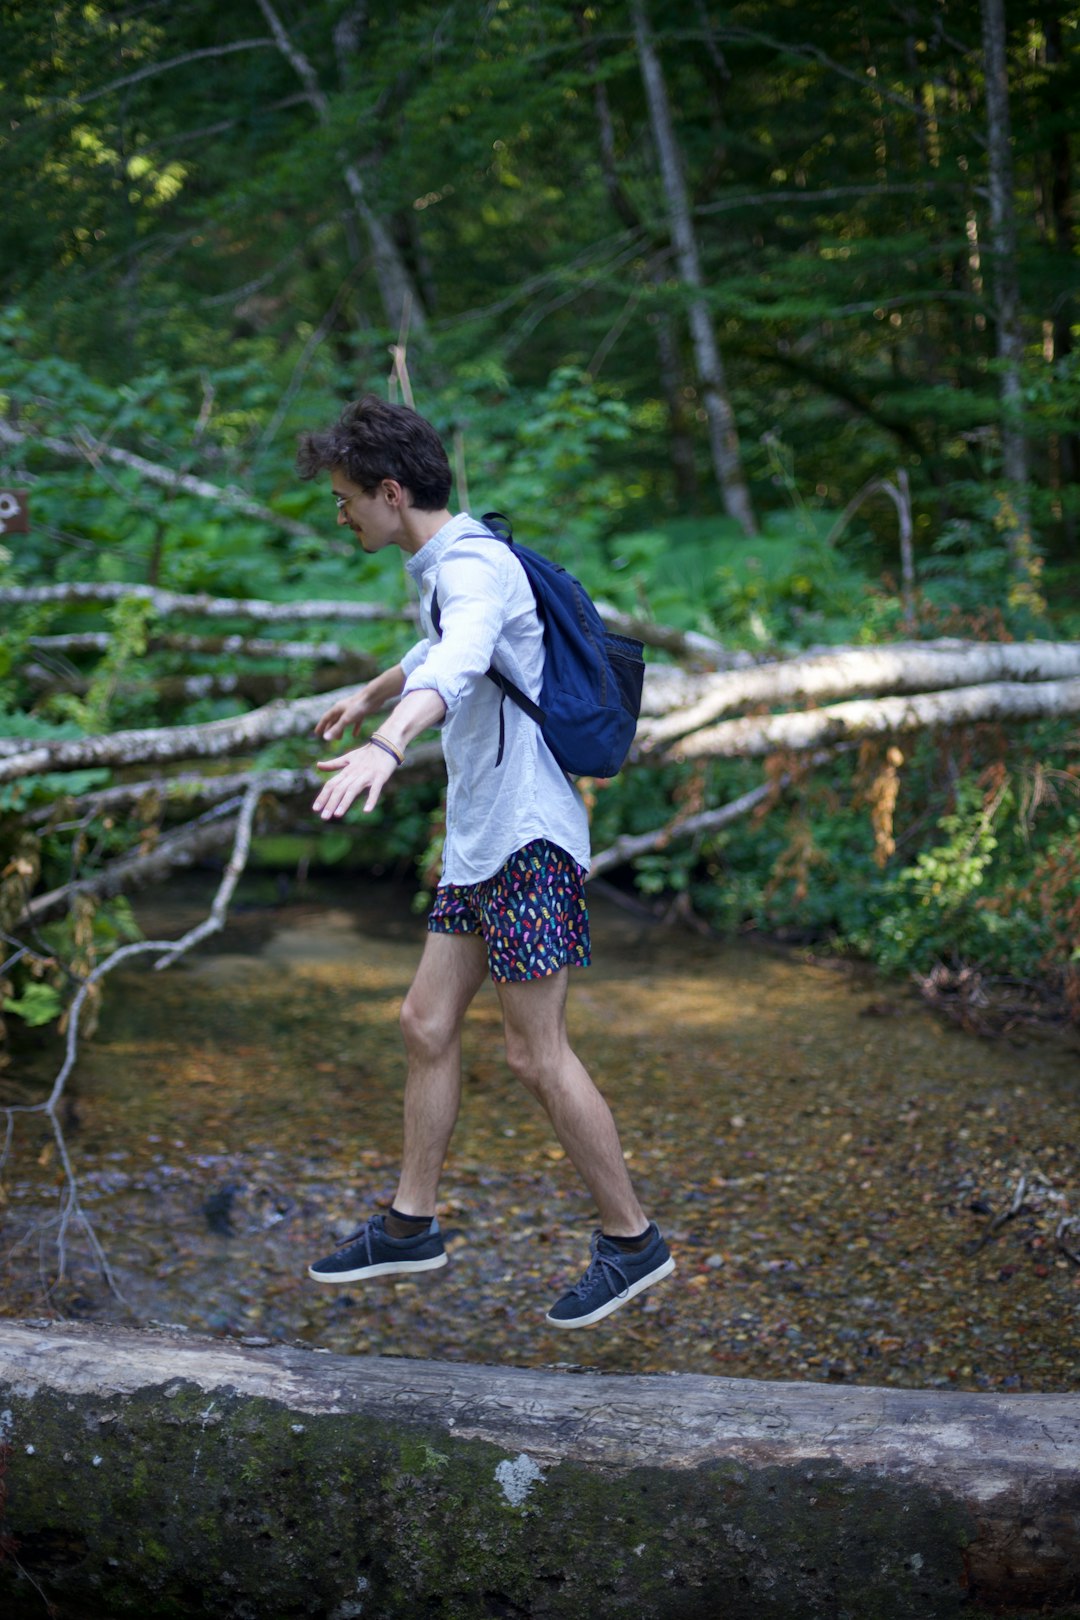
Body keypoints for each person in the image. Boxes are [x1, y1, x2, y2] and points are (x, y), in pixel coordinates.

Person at [295, 396, 674, 1329]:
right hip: (481, 844)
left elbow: (463, 655)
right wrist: (372, 689)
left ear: (390, 493)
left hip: (528, 841)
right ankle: (411, 1224)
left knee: (534, 1054)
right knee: (425, 1022)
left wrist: (387, 744)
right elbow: (440, 645)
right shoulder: (447, 559)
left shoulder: (471, 562)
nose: (340, 514)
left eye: (346, 499)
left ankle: (634, 1243)